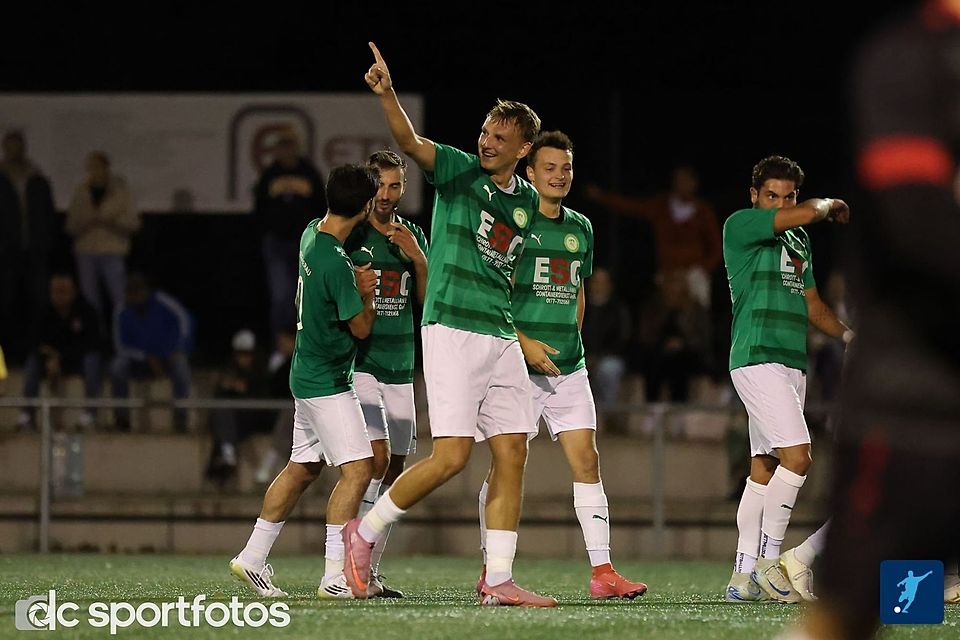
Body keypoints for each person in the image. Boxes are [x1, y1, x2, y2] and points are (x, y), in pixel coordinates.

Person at [342, 42, 556, 607]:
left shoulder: (528, 201)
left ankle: (498, 578)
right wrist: (387, 93)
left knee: (513, 451)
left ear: (523, 149)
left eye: (500, 137)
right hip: (452, 330)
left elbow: (507, 270)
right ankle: (361, 535)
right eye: (486, 130)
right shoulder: (460, 171)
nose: (487, 140)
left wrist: (524, 333)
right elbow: (411, 143)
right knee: (453, 456)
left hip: (500, 333)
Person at [786, 2, 960, 637]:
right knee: (871, 611)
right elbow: (917, 222)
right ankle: (787, 563)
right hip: (922, 397)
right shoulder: (914, 57)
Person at [479, 130, 647, 599]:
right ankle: (490, 570)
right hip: (516, 363)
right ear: (529, 173)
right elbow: (491, 293)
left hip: (568, 367)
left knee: (587, 459)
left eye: (566, 168)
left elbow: (577, 291)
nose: (559, 176)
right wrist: (526, 341)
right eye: (549, 168)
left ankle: (603, 572)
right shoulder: (512, 222)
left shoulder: (581, 227)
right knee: (504, 468)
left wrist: (573, 341)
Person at [229, 164, 379, 600]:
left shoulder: (312, 232)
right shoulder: (335, 262)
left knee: (303, 468)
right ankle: (334, 575)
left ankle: (252, 557)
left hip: (306, 371)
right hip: (326, 381)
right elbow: (362, 328)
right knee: (358, 471)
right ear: (367, 205)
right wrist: (365, 291)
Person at [722, 155, 851, 603]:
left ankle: (741, 574)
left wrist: (852, 336)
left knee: (765, 468)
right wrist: (828, 203)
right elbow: (804, 214)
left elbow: (814, 308)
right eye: (771, 196)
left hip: (792, 363)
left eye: (788, 196)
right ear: (754, 196)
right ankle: (770, 564)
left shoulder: (798, 242)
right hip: (756, 358)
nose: (780, 203)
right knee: (798, 457)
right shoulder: (741, 226)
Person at [343, 150, 428, 598]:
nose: (386, 194)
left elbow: (429, 302)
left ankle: (369, 570)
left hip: (401, 366)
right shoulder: (353, 235)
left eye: (395, 186)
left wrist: (417, 259)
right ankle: (344, 564)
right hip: (363, 363)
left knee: (395, 468)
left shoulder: (411, 236)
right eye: (379, 184)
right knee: (373, 460)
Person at [586, 165, 722, 307]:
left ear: (694, 183)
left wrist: (702, 268)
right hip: (666, 272)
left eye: (685, 180)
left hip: (694, 274)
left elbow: (716, 247)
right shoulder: (661, 206)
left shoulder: (704, 212)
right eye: (678, 180)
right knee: (657, 312)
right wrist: (602, 196)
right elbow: (632, 206)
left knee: (698, 312)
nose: (681, 184)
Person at [253, 129, 327, 346]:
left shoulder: (310, 172)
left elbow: (321, 208)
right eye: (282, 145)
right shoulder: (270, 175)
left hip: (303, 243)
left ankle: (305, 343)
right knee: (280, 298)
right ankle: (280, 347)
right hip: (276, 243)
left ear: (296, 147)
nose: (286, 150)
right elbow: (259, 209)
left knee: (305, 295)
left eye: (289, 145)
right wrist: (266, 233)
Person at [0, 130, 58, 362]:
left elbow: (48, 213)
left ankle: (36, 350)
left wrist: (45, 242)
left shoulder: (37, 178)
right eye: (9, 146)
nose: (14, 150)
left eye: (18, 145)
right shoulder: (1, 178)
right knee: (6, 301)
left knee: (38, 300)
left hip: (34, 250)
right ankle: (8, 353)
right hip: (6, 251)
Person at [17, 273, 102, 430]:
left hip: (76, 361)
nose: (59, 296)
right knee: (31, 364)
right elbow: (33, 342)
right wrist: (50, 357)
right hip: (50, 362)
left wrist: (60, 357)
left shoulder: (86, 311)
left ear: (74, 292)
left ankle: (91, 415)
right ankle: (27, 416)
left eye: (63, 291)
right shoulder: (43, 311)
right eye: (55, 291)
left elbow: (92, 344)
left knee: (92, 361)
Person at [109, 274, 194, 432]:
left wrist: (177, 348)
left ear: (146, 292)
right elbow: (120, 346)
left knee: (181, 366)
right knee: (117, 367)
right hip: (138, 361)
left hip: (167, 357)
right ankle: (122, 418)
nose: (135, 297)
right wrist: (146, 356)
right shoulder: (121, 309)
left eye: (139, 292)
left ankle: (181, 417)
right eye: (131, 293)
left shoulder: (162, 301)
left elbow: (185, 321)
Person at [65, 151, 140, 326]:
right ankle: (95, 341)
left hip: (112, 251)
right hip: (86, 251)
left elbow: (133, 223)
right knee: (90, 302)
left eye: (97, 166)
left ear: (107, 167)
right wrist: (86, 223)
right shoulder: (81, 192)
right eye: (91, 167)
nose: (94, 171)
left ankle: (124, 339)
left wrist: (110, 222)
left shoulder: (121, 192)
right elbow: (70, 226)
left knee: (119, 299)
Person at [206, 329, 271, 488]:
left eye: (247, 354)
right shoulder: (229, 371)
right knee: (223, 415)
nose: (243, 358)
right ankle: (227, 455)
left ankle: (226, 454)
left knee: (224, 425)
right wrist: (229, 386)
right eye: (240, 354)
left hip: (255, 417)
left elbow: (265, 397)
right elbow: (218, 398)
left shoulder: (261, 371)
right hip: (233, 419)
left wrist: (245, 389)